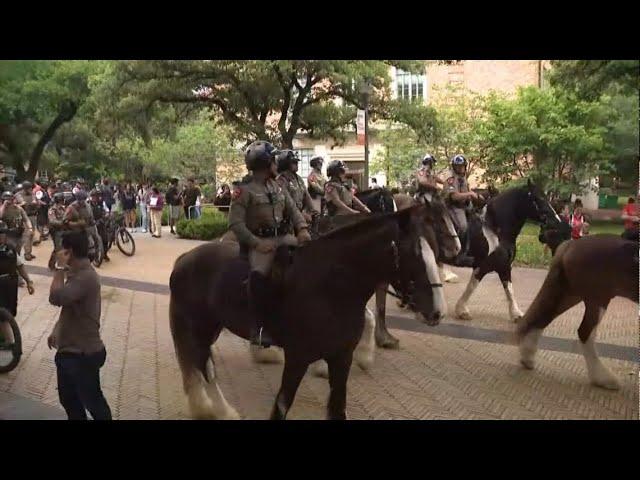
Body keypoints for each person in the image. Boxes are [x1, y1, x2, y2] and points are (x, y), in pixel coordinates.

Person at [228, 140, 311, 347]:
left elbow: (293, 210)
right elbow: (235, 223)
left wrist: (302, 229)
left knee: (313, 256)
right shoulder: (244, 191)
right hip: (258, 242)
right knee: (258, 277)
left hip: (282, 237)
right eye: (273, 160)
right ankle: (259, 327)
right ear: (265, 163)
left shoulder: (278, 186)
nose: (277, 164)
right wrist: (256, 243)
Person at [47, 231, 112, 420]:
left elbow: (57, 297)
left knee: (94, 403)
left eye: (61, 250)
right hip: (71, 351)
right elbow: (69, 307)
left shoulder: (86, 277)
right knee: (69, 400)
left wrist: (59, 267)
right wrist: (57, 329)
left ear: (70, 252)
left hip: (83, 354)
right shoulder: (77, 273)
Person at [444, 154, 478, 266]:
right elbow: (454, 196)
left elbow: (467, 193)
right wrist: (469, 194)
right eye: (458, 166)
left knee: (477, 222)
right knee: (463, 227)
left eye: (462, 166)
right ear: (454, 167)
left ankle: (472, 250)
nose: (460, 168)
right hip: (454, 207)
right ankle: (460, 254)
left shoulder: (463, 178)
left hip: (465, 207)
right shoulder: (451, 179)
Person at [0, 221, 35, 324]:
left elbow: (19, 265)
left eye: (3, 233)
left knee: (10, 311)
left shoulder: (10, 249)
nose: (2, 236)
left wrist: (29, 281)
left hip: (10, 284)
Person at [276, 149, 319, 223]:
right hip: (287, 218)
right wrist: (302, 215)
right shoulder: (280, 180)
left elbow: (306, 195)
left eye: (296, 162)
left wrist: (313, 211)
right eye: (294, 162)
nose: (297, 164)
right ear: (285, 164)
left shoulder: (298, 178)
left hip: (300, 214)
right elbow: (287, 203)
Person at [63, 190, 100, 262]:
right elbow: (65, 221)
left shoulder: (88, 207)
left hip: (86, 231)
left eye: (84, 199)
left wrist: (93, 223)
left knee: (92, 248)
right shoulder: (71, 208)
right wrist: (77, 223)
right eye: (81, 200)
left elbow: (91, 218)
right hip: (75, 234)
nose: (82, 201)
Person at [0, 191, 33, 262]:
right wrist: (4, 206)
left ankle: (14, 268)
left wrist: (30, 228)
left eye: (12, 199)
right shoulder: (2, 209)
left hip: (19, 234)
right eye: (8, 200)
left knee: (17, 253)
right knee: (10, 254)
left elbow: (26, 219)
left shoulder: (18, 208)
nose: (11, 201)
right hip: (8, 236)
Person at [14, 181, 41, 256]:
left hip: (32, 216)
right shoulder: (18, 195)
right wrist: (24, 204)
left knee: (32, 234)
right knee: (27, 235)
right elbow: (17, 205)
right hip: (25, 217)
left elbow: (38, 204)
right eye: (29, 188)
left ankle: (29, 252)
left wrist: (36, 203)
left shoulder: (32, 194)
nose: (31, 190)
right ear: (25, 188)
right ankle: (27, 254)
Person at [48, 192, 68, 270]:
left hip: (63, 230)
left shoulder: (63, 208)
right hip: (56, 231)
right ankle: (56, 265)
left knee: (61, 247)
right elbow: (52, 221)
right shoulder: (52, 209)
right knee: (58, 248)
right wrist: (62, 223)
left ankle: (61, 264)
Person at [89, 189, 109, 262]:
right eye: (93, 196)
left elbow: (106, 211)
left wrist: (106, 214)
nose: (94, 198)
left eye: (96, 196)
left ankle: (105, 254)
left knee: (105, 239)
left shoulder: (101, 203)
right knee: (95, 241)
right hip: (92, 224)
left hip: (101, 223)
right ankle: (96, 257)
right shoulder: (88, 205)